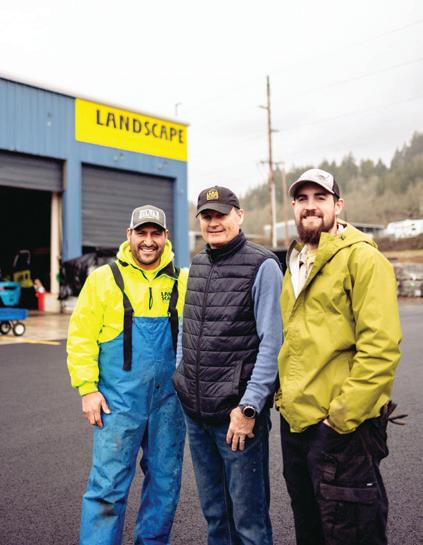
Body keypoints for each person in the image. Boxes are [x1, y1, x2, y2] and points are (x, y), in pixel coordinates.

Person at [277, 168, 402, 545]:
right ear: (293, 207)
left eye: (321, 198)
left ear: (338, 205)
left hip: (342, 429)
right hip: (297, 426)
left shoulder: (362, 259)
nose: (310, 206)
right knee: (310, 529)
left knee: (352, 531)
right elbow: (295, 339)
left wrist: (339, 420)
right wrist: (283, 399)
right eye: (302, 199)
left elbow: (380, 348)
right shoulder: (295, 262)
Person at [67, 205, 188, 545]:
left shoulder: (182, 281)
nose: (148, 241)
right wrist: (87, 389)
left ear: (166, 237)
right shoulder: (103, 280)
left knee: (165, 482)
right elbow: (81, 337)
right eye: (141, 233)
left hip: (170, 403)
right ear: (129, 235)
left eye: (155, 234)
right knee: (108, 485)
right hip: (117, 402)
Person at [173, 186, 283, 545]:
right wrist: (181, 377)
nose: (214, 222)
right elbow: (186, 328)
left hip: (236, 417)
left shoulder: (263, 266)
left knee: (249, 522)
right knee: (216, 515)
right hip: (197, 415)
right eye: (206, 216)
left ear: (239, 215)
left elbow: (272, 344)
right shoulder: (197, 265)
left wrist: (249, 408)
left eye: (221, 214)